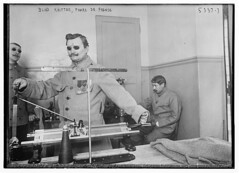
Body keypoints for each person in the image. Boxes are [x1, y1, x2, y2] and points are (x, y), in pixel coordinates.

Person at [12, 33, 149, 153]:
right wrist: (26, 84)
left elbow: (119, 93)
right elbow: (44, 88)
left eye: (76, 47)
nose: (72, 51)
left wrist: (138, 112)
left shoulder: (97, 71)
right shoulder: (64, 74)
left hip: (93, 135)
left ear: (86, 48)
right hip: (67, 135)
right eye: (69, 48)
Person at [130, 75, 182, 145]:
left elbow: (175, 117)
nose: (153, 88)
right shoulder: (155, 94)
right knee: (136, 133)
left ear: (162, 85)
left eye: (155, 86)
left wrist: (159, 123)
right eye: (152, 86)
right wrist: (134, 107)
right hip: (153, 122)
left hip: (166, 127)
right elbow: (146, 102)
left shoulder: (173, 97)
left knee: (148, 139)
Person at [8, 43, 36, 144]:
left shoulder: (22, 71)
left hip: (21, 115)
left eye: (19, 51)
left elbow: (28, 92)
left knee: (20, 144)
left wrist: (31, 112)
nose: (17, 52)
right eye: (13, 49)